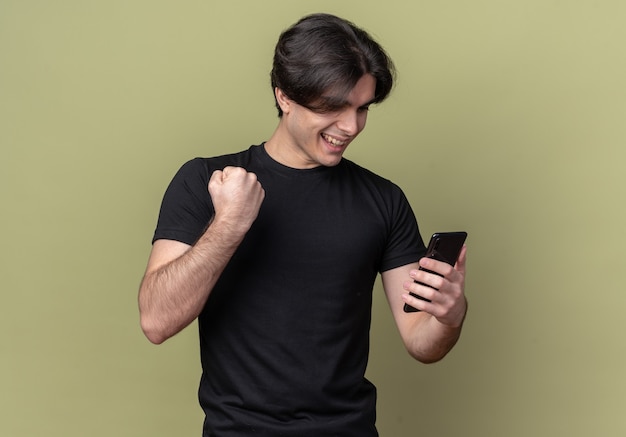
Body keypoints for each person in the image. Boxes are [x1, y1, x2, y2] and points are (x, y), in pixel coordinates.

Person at [138, 12, 468, 437]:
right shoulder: (208, 181)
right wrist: (229, 225)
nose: (350, 127)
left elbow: (420, 342)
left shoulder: (384, 200)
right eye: (333, 107)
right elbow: (156, 321)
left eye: (362, 108)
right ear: (284, 96)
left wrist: (450, 315)